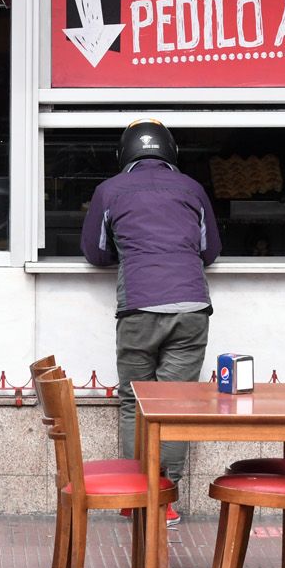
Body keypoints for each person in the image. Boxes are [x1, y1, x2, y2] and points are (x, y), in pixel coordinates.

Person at [80, 119, 221, 526]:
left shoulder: (108, 190)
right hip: (191, 306)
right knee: (175, 405)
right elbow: (209, 249)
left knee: (134, 400)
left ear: (125, 154)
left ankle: (134, 493)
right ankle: (165, 498)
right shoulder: (192, 189)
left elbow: (96, 252)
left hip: (139, 307)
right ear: (170, 153)